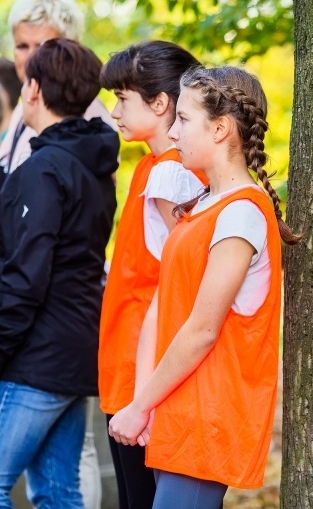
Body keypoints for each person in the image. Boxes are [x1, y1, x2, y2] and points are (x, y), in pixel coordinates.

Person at [108, 66, 302, 509]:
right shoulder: (204, 205)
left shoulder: (242, 214)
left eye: (184, 119)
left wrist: (142, 406)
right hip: (174, 409)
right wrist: (145, 403)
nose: (172, 132)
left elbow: (202, 330)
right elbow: (160, 306)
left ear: (220, 129)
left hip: (206, 419)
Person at [0, 0, 112, 507]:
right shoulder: (87, 156)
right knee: (57, 491)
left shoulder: (47, 167)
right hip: (70, 345)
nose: (26, 58)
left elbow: (27, 273)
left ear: (34, 90)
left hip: (33, 352)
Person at [98, 40, 204, 509]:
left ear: (160, 103)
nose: (114, 110)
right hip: (128, 361)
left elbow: (180, 280)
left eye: (122, 98)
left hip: (143, 370)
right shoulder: (150, 166)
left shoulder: (171, 175)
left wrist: (147, 394)